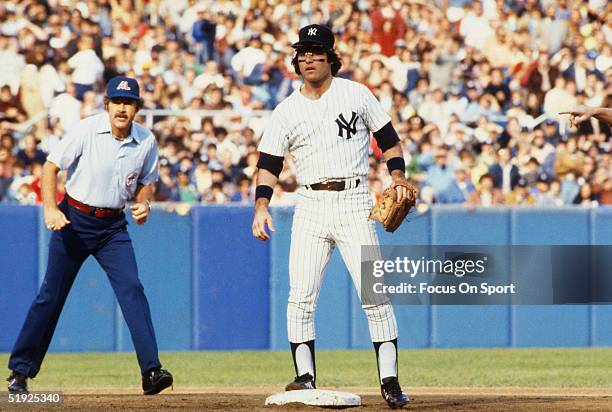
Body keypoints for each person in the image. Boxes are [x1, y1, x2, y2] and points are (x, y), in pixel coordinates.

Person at [251, 24, 410, 409]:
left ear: (330, 57)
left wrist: (399, 176)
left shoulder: (356, 94)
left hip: (354, 200)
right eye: (302, 52)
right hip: (309, 204)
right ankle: (304, 376)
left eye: (315, 51)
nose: (307, 58)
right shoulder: (287, 109)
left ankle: (389, 380)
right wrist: (261, 204)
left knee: (375, 294)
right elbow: (269, 162)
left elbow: (389, 140)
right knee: (300, 297)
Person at [6, 76, 173, 395]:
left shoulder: (146, 140)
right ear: (107, 105)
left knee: (132, 289)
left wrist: (144, 202)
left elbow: (147, 180)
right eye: (117, 102)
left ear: (137, 108)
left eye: (129, 103)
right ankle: (20, 372)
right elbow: (50, 167)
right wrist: (50, 210)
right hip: (75, 219)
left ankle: (151, 372)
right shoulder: (86, 130)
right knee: (51, 296)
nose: (123, 108)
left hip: (112, 226)